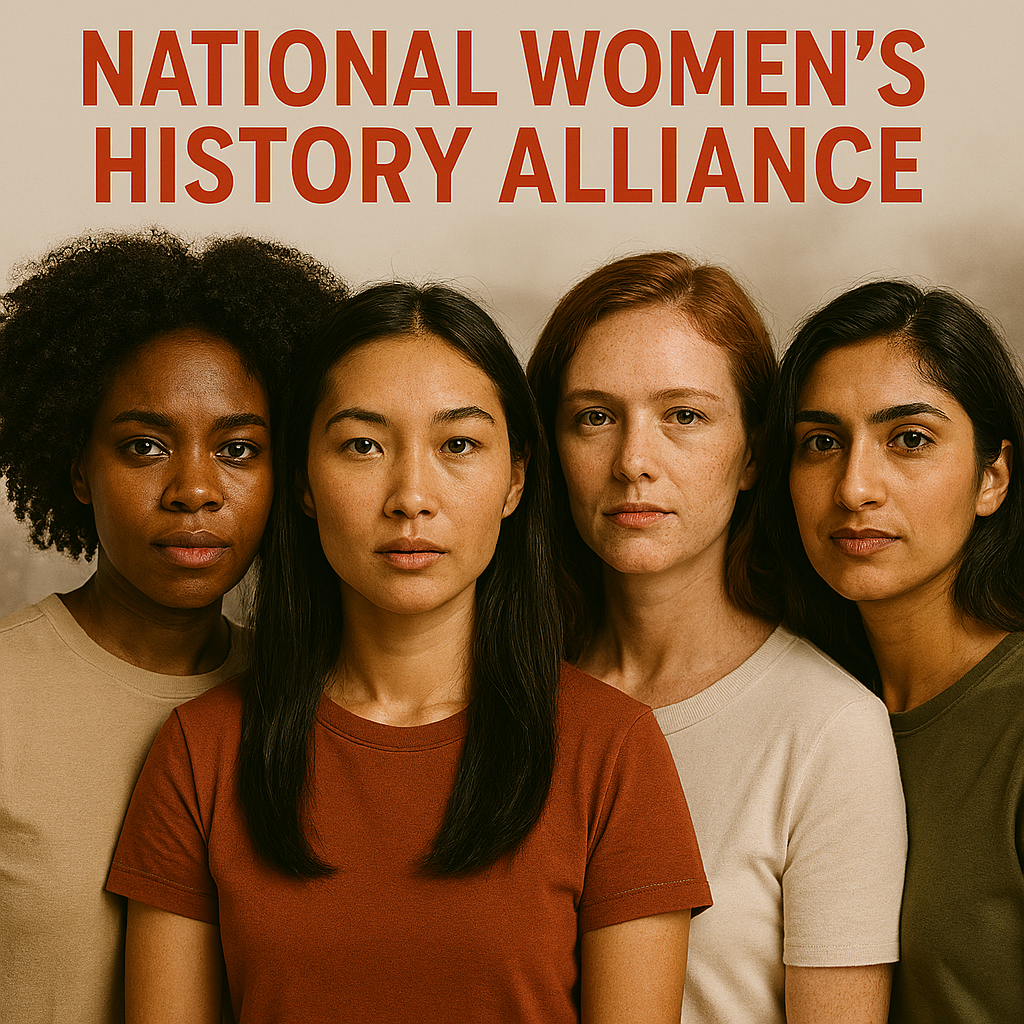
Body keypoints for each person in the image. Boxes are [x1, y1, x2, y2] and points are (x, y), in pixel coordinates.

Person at [105, 281, 712, 1024]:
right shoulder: (200, 754)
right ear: (302, 482)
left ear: (515, 479)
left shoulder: (612, 751)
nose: (411, 496)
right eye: (362, 445)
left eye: (458, 444)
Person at [527, 251, 907, 1024]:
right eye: (595, 417)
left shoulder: (827, 727)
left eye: (684, 416)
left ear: (753, 456)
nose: (634, 462)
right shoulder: (505, 690)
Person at [0, 228, 345, 1024]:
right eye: (145, 446)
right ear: (78, 467)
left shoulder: (314, 700)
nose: (195, 489)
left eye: (238, 449)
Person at [767, 279, 1024, 1023]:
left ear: (992, 477)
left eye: (909, 439)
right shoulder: (806, 711)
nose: (853, 487)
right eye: (821, 442)